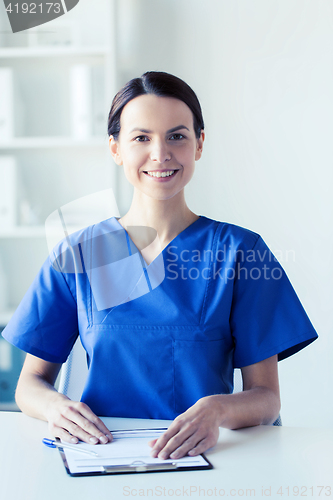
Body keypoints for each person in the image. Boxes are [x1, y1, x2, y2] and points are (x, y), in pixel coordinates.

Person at [2, 71, 318, 461]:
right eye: (141, 138)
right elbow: (30, 384)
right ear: (116, 149)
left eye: (177, 136)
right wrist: (56, 407)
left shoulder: (241, 252)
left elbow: (266, 399)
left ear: (199, 145)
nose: (160, 153)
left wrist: (218, 409)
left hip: (206, 464)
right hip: (102, 459)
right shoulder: (79, 255)